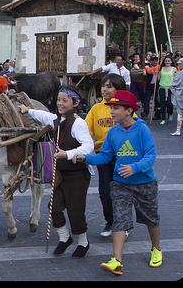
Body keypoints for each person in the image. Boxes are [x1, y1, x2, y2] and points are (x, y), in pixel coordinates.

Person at [75, 90, 161, 276]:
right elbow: (105, 156)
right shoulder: (113, 132)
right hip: (120, 184)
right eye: (111, 108)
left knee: (151, 219)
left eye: (115, 108)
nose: (111, 112)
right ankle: (117, 260)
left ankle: (156, 249)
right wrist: (85, 158)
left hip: (144, 183)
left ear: (129, 111)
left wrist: (135, 168)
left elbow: (151, 155)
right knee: (119, 220)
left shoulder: (142, 129)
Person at [18, 86, 94, 258]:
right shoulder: (55, 120)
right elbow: (43, 115)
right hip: (59, 174)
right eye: (58, 100)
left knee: (76, 210)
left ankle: (83, 242)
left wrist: (67, 154)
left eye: (64, 100)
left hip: (77, 175)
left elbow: (88, 147)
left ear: (75, 103)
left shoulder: (79, 124)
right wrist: (27, 110)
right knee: (54, 207)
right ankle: (64, 237)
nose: (60, 103)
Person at [85, 74, 127, 238]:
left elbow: (134, 128)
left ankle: (123, 225)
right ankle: (110, 221)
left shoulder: (125, 107)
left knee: (122, 192)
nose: (104, 89)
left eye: (110, 86)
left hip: (123, 156)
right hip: (103, 155)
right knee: (104, 192)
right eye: (103, 85)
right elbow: (85, 130)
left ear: (119, 89)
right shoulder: (96, 109)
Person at [170, 57, 183, 136]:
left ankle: (178, 130)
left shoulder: (178, 74)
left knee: (180, 113)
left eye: (180, 64)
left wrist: (174, 92)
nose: (178, 65)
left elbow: (173, 84)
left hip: (179, 95)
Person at [158, 56, 177, 125]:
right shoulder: (161, 68)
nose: (167, 62)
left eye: (169, 61)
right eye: (166, 61)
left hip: (170, 88)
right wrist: (157, 73)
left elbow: (176, 78)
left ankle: (170, 113)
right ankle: (163, 118)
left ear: (171, 61)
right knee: (162, 104)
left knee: (169, 103)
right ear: (164, 62)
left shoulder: (174, 69)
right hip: (162, 87)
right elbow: (158, 79)